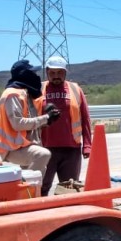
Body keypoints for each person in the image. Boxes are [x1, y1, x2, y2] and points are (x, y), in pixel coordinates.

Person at [0, 59, 61, 174]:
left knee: (39, 171)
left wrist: (47, 119)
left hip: (23, 145)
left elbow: (31, 120)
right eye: (32, 73)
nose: (35, 76)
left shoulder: (25, 94)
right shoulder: (12, 94)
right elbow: (18, 124)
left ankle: (30, 191)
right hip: (12, 148)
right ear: (24, 75)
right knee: (42, 155)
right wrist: (46, 118)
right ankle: (24, 190)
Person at [39, 55, 93, 196]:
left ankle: (69, 217)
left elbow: (85, 118)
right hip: (45, 149)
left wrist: (87, 145)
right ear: (47, 72)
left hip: (71, 149)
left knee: (70, 188)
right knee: (41, 188)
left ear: (65, 72)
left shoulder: (75, 89)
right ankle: (41, 216)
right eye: (52, 73)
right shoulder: (39, 89)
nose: (56, 76)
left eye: (59, 72)